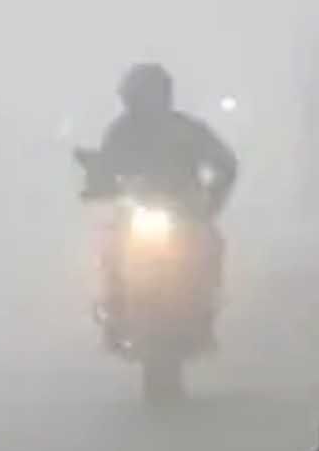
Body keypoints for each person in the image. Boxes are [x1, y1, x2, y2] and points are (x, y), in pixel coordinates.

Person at [77, 63, 239, 346]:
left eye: (147, 96)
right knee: (110, 248)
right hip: (135, 212)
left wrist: (211, 201)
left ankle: (205, 308)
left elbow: (225, 163)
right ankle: (113, 308)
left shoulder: (187, 130)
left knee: (211, 244)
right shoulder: (120, 132)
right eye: (137, 97)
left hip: (184, 214)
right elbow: (104, 168)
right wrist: (97, 184)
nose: (142, 104)